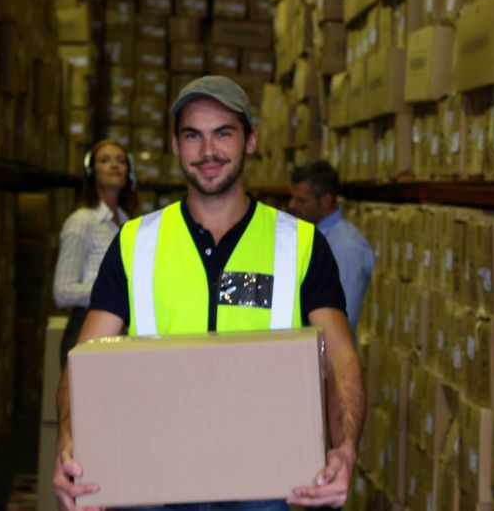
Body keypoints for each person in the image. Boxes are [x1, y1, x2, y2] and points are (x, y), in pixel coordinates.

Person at [53, 76, 366, 511]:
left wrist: (345, 447)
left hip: (270, 486)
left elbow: (341, 358)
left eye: (223, 133)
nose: (208, 151)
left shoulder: (301, 244)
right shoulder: (135, 242)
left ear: (250, 140)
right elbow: (84, 360)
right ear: (176, 146)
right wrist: (69, 444)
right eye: (192, 136)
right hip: (155, 481)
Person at [52, 139, 138, 367]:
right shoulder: (81, 222)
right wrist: (113, 293)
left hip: (123, 329)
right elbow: (62, 292)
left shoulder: (130, 225)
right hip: (86, 327)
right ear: (91, 172)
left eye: (121, 161)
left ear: (130, 172)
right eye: (105, 160)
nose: (114, 165)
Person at [287, 161, 375, 332]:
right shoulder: (310, 237)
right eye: (292, 198)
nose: (292, 206)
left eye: (301, 200)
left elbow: (342, 322)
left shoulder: (346, 248)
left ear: (326, 200)